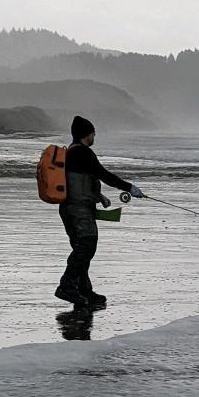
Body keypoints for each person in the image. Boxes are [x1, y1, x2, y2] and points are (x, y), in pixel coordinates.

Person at [55, 114, 145, 309]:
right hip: (77, 210)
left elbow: (81, 181)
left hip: (72, 208)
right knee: (86, 246)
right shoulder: (83, 153)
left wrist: (99, 197)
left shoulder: (72, 152)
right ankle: (66, 286)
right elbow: (104, 175)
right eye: (93, 133)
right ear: (86, 134)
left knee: (82, 248)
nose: (95, 136)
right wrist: (129, 187)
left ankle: (83, 290)